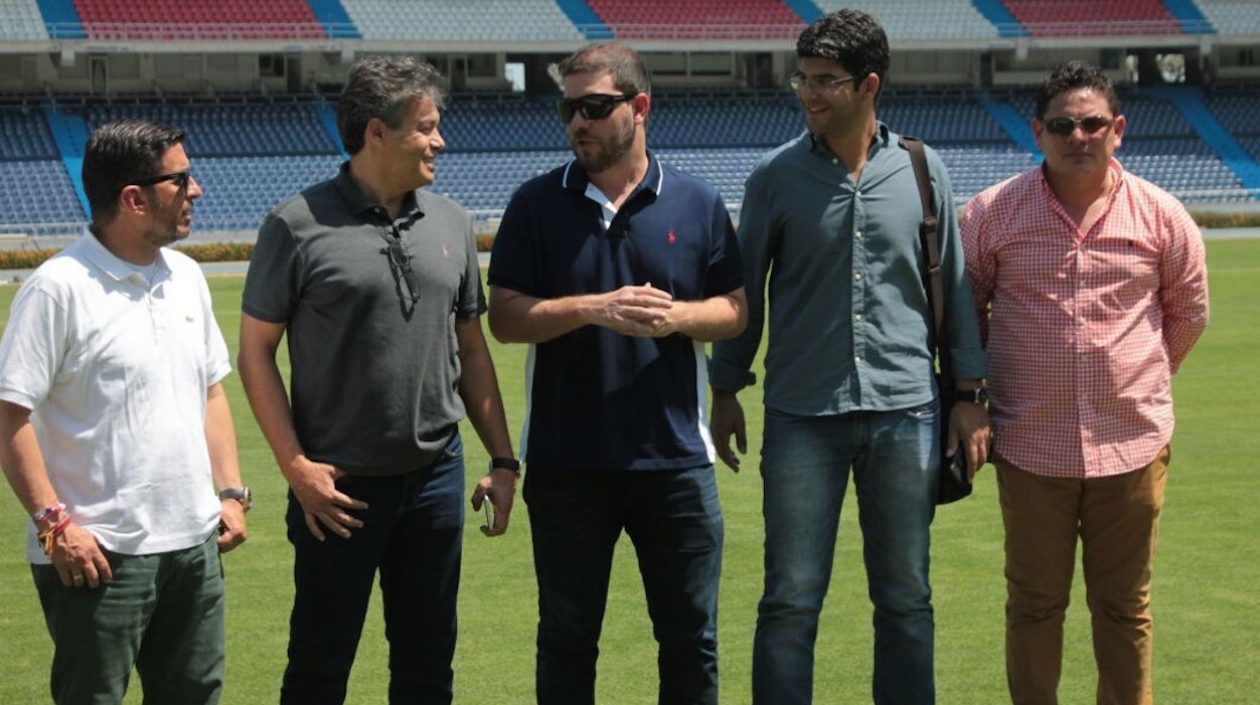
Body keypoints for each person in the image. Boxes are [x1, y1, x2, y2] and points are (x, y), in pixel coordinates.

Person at [708, 10, 990, 705]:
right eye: (801, 79)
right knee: (790, 601)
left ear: (869, 85)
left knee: (906, 599)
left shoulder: (924, 171)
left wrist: (969, 398)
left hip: (907, 412)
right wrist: (724, 388)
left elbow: (953, 288)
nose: (808, 93)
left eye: (825, 81)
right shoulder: (773, 177)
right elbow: (746, 293)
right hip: (803, 414)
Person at [237, 55, 517, 705]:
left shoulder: (452, 220)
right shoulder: (295, 224)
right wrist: (296, 467)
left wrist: (503, 459)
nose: (440, 140)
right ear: (376, 133)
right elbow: (256, 354)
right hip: (337, 489)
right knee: (317, 669)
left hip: (435, 475)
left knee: (426, 670)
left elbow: (471, 348)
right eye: (426, 127)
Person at [487, 42, 747, 705]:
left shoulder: (696, 202)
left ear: (640, 107)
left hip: (677, 462)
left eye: (595, 107)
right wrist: (592, 307)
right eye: (568, 108)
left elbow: (735, 311)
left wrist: (679, 316)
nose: (579, 121)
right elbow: (505, 317)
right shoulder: (535, 204)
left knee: (691, 639)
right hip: (567, 462)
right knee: (568, 637)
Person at [961, 61, 1209, 705]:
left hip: (1132, 446)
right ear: (1038, 131)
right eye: (1064, 125)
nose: (1079, 136)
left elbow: (1188, 312)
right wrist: (975, 399)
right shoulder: (992, 213)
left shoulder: (1161, 215)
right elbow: (965, 314)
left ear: (1117, 129)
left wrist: (1139, 380)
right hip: (1031, 446)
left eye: (1092, 123)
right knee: (1035, 604)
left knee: (1126, 608)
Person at [0, 119, 247, 705]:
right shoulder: (57, 288)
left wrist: (232, 492)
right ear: (134, 199)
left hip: (194, 545)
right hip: (98, 553)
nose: (197, 190)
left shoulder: (186, 277)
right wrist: (55, 524)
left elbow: (211, 390)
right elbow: (10, 415)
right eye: (181, 179)